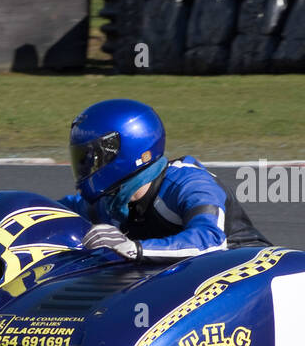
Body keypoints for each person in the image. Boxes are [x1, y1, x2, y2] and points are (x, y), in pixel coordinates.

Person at [63, 99, 270, 261]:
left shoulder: (190, 184)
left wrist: (135, 249)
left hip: (246, 272)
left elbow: (209, 240)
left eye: (92, 158)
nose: (85, 167)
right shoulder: (111, 203)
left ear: (123, 150)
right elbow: (59, 210)